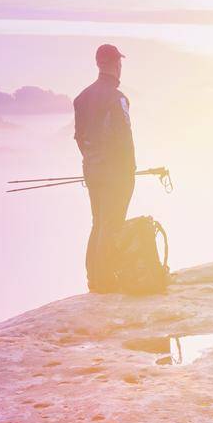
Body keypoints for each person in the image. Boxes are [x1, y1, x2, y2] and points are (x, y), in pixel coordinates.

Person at [73, 43, 136, 291]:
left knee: (98, 221)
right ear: (117, 66)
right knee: (112, 223)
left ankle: (94, 278)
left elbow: (79, 137)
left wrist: (91, 161)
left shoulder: (82, 98)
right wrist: (129, 170)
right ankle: (107, 280)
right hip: (115, 172)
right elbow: (124, 138)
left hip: (92, 170)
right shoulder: (117, 98)